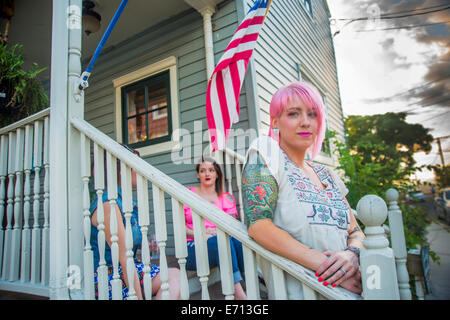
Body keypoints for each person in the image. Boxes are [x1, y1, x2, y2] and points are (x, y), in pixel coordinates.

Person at [241, 81, 365, 299]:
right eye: (294, 114)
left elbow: (355, 232)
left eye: (312, 114)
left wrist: (351, 254)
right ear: (275, 121)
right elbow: (259, 225)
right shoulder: (267, 153)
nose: (305, 122)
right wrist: (331, 268)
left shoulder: (327, 174)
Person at [90, 144, 181, 300]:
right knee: (172, 281)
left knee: (175, 276)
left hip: (128, 268)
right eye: (136, 165)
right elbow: (124, 258)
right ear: (123, 171)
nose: (141, 170)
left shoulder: (125, 201)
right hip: (110, 275)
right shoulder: (108, 204)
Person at [183, 156, 247, 300]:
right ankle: (240, 296)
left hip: (220, 243)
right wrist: (200, 234)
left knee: (236, 241)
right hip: (193, 247)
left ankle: (247, 281)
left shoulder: (226, 197)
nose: (207, 174)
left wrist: (216, 233)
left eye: (211, 170)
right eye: (203, 170)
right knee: (221, 241)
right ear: (197, 174)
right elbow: (181, 228)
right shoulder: (188, 194)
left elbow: (232, 227)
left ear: (217, 174)